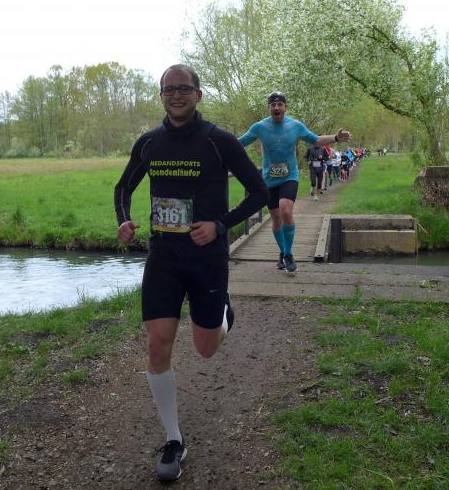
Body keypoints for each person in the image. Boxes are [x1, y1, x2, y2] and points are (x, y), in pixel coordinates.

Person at [113, 64, 267, 482]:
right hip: (164, 256)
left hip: (207, 257)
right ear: (161, 95)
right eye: (169, 89)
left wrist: (220, 225)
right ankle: (174, 440)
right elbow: (123, 188)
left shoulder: (219, 141)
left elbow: (259, 191)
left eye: (184, 89)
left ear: (198, 94)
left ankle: (224, 315)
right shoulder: (149, 143)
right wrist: (123, 220)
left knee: (205, 348)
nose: (176, 95)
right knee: (157, 343)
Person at [239, 91, 350, 272]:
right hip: (269, 180)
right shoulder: (259, 127)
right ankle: (282, 252)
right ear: (269, 108)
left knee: (285, 210)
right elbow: (239, 142)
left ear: (285, 107)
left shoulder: (295, 126)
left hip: (289, 176)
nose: (276, 107)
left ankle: (289, 254)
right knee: (276, 219)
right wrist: (215, 144)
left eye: (280, 104)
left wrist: (336, 138)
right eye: (273, 105)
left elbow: (316, 140)